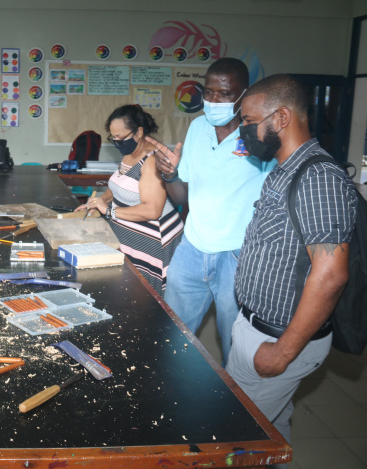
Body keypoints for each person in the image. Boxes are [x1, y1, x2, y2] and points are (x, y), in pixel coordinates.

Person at [228, 74, 357, 464]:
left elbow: (331, 273)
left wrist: (283, 352)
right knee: (273, 428)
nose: (244, 132)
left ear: (281, 117)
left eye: (249, 123)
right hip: (253, 329)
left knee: (230, 436)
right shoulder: (284, 170)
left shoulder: (318, 179)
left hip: (278, 341)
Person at [150, 58, 276, 366]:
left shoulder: (258, 134)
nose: (213, 101)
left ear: (243, 95)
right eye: (208, 92)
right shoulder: (197, 127)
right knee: (173, 333)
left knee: (236, 344)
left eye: (224, 94)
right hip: (192, 249)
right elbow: (183, 195)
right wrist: (169, 175)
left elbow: (275, 200)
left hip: (237, 256)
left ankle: (237, 409)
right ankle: (170, 396)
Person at [76, 105, 183, 295]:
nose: (117, 142)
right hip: (129, 234)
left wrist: (108, 211)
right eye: (113, 137)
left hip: (151, 240)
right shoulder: (128, 153)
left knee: (144, 298)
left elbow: (152, 211)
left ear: (139, 132)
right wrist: (100, 201)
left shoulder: (151, 160)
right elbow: (118, 184)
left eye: (120, 137)